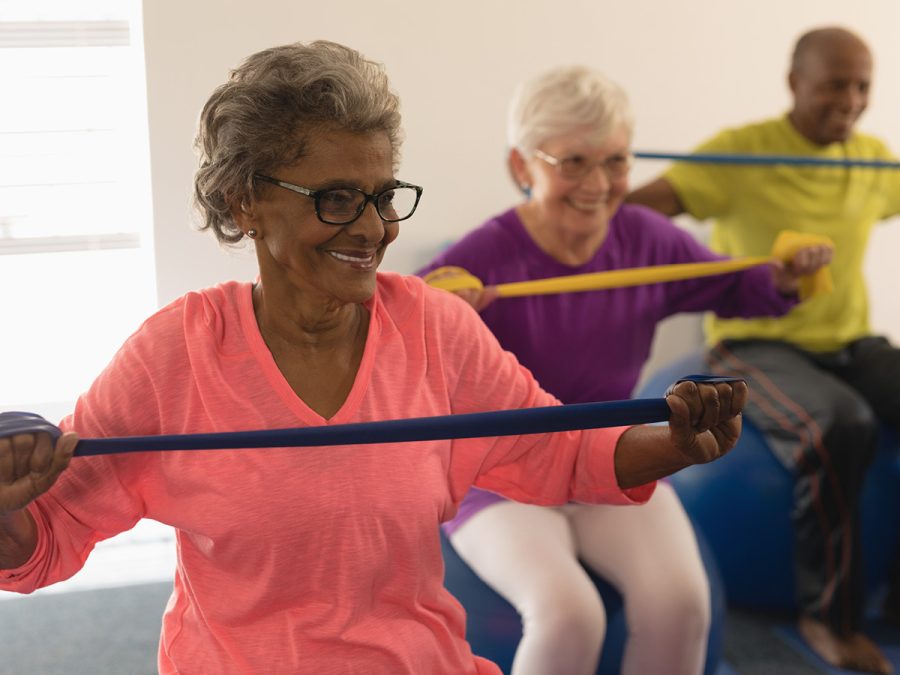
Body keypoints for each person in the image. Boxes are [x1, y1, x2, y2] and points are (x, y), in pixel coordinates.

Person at [0, 41, 748, 675]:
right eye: (335, 199)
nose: (373, 228)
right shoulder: (177, 354)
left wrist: (679, 442)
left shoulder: (431, 327)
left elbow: (559, 451)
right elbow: (48, 535)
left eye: (383, 195)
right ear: (244, 202)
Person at [418, 65, 831, 675]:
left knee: (682, 603)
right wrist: (437, 315)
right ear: (520, 167)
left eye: (615, 162)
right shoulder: (482, 259)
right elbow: (402, 349)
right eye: (573, 162)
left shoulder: (647, 239)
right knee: (568, 614)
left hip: (614, 457)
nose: (599, 183)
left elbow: (740, 285)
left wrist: (788, 274)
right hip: (501, 477)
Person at [627, 26, 900, 675]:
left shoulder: (869, 160)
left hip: (848, 342)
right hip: (755, 340)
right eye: (836, 83)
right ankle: (828, 619)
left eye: (863, 85)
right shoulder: (740, 153)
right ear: (795, 82)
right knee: (839, 422)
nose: (852, 99)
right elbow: (637, 213)